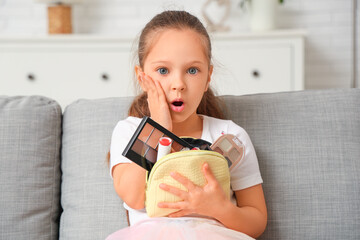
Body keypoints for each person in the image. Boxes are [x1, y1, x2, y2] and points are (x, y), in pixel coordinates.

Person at [107, 10, 267, 240]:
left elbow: (257, 221)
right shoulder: (129, 131)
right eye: (163, 71)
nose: (178, 84)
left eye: (192, 70)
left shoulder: (231, 136)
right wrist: (159, 126)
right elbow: (133, 197)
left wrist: (219, 208)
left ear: (208, 77)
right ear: (143, 78)